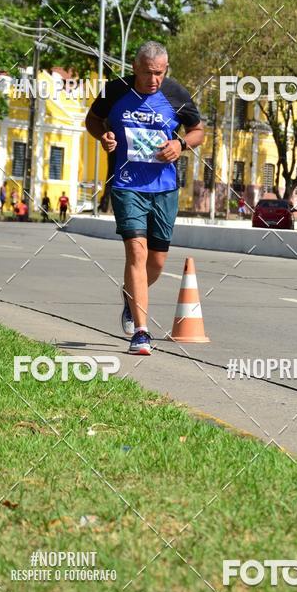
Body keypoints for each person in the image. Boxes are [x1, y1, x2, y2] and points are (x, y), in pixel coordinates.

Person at [85, 40, 204, 356]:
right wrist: (104, 135)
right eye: (149, 73)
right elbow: (93, 121)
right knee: (136, 253)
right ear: (135, 68)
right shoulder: (116, 90)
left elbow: (198, 130)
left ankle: (129, 297)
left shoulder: (175, 93)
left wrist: (181, 146)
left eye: (160, 73)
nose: (154, 80)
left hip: (164, 188)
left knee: (157, 261)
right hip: (126, 186)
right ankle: (141, 331)